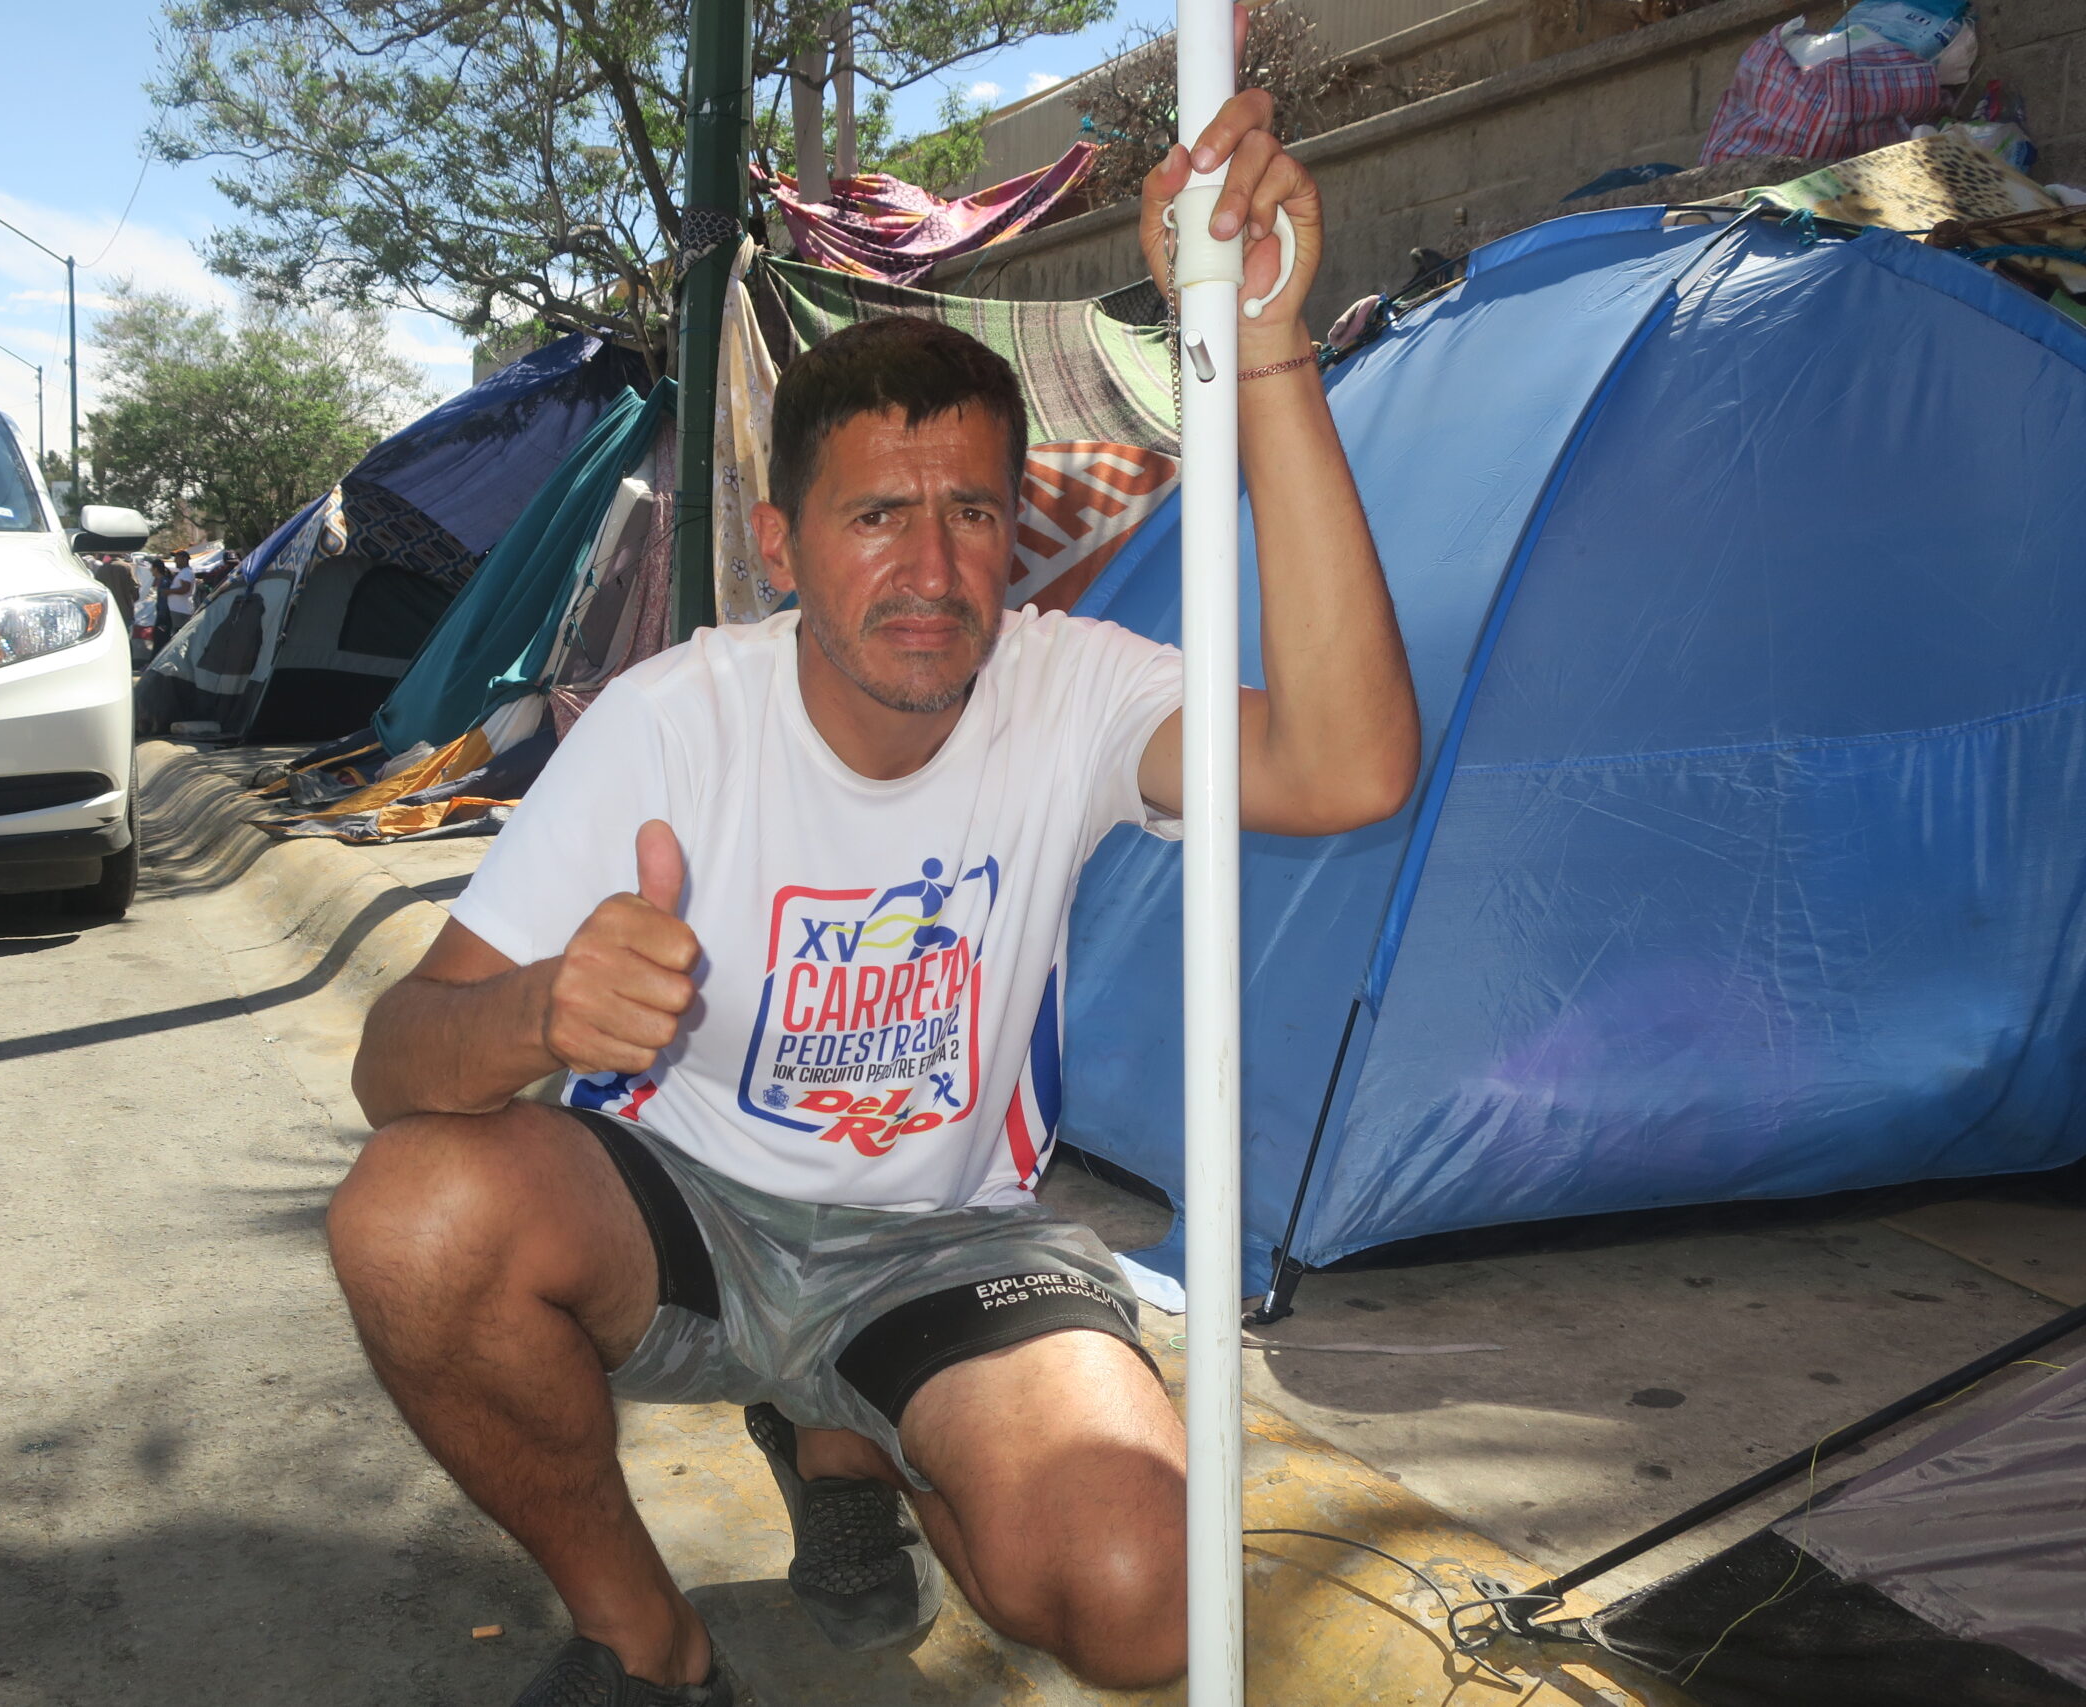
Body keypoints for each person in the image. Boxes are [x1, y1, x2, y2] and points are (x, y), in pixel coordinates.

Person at [328, 91, 1418, 1707]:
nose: (930, 566)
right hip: (692, 1215)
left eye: (972, 511)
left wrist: (1264, 351)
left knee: (1144, 1599)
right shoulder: (670, 719)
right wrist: (539, 1010)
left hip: (947, 1237)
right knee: (411, 1219)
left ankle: (863, 1426)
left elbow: (1349, 766)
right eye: (876, 514)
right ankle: (647, 1638)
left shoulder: (1072, 688)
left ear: (1015, 535)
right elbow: (396, 1063)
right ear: (781, 544)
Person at [156, 549, 196, 648]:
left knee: (180, 637)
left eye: (177, 558)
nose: (175, 561)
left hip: (181, 610)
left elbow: (185, 589)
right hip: (178, 610)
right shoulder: (183, 572)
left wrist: (168, 591)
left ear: (184, 559)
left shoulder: (186, 572)